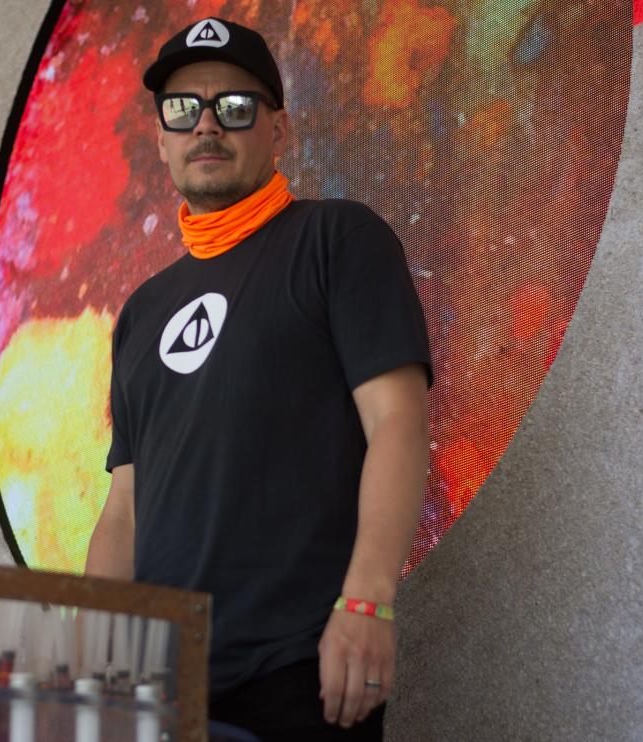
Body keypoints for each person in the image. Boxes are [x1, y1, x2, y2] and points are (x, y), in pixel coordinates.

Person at [85, 17, 432, 741]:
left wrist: (368, 604)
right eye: (184, 109)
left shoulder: (339, 238)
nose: (207, 125)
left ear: (278, 128)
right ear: (161, 139)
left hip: (302, 671)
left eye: (234, 106)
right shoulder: (141, 313)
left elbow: (398, 423)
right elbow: (125, 507)